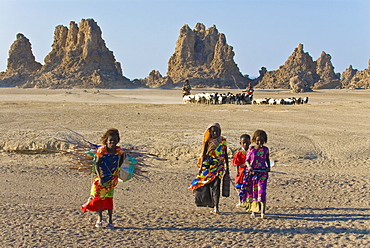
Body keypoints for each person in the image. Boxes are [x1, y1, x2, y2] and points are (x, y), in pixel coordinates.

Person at [81, 128, 125, 228]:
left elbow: (123, 158)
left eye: (115, 140)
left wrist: (117, 169)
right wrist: (100, 177)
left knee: (109, 199)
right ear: (106, 140)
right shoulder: (102, 150)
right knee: (99, 198)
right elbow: (97, 164)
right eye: (110, 140)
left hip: (112, 179)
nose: (112, 142)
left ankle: (110, 221)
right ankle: (100, 219)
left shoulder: (119, 151)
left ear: (118, 140)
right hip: (101, 178)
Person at [189, 123, 229, 214]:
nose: (215, 133)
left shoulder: (223, 141)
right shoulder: (207, 141)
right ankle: (209, 203)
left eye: (217, 131)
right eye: (213, 131)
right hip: (209, 166)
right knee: (208, 185)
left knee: (216, 185)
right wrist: (201, 168)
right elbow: (204, 154)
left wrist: (227, 167)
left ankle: (216, 207)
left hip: (219, 166)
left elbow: (225, 154)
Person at [239, 130, 270, 219]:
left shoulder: (265, 150)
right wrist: (249, 167)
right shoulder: (251, 150)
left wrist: (268, 168)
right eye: (258, 140)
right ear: (254, 140)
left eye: (262, 141)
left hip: (262, 173)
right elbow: (247, 161)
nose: (259, 143)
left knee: (262, 192)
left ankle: (263, 212)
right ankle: (253, 211)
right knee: (253, 192)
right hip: (252, 174)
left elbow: (267, 159)